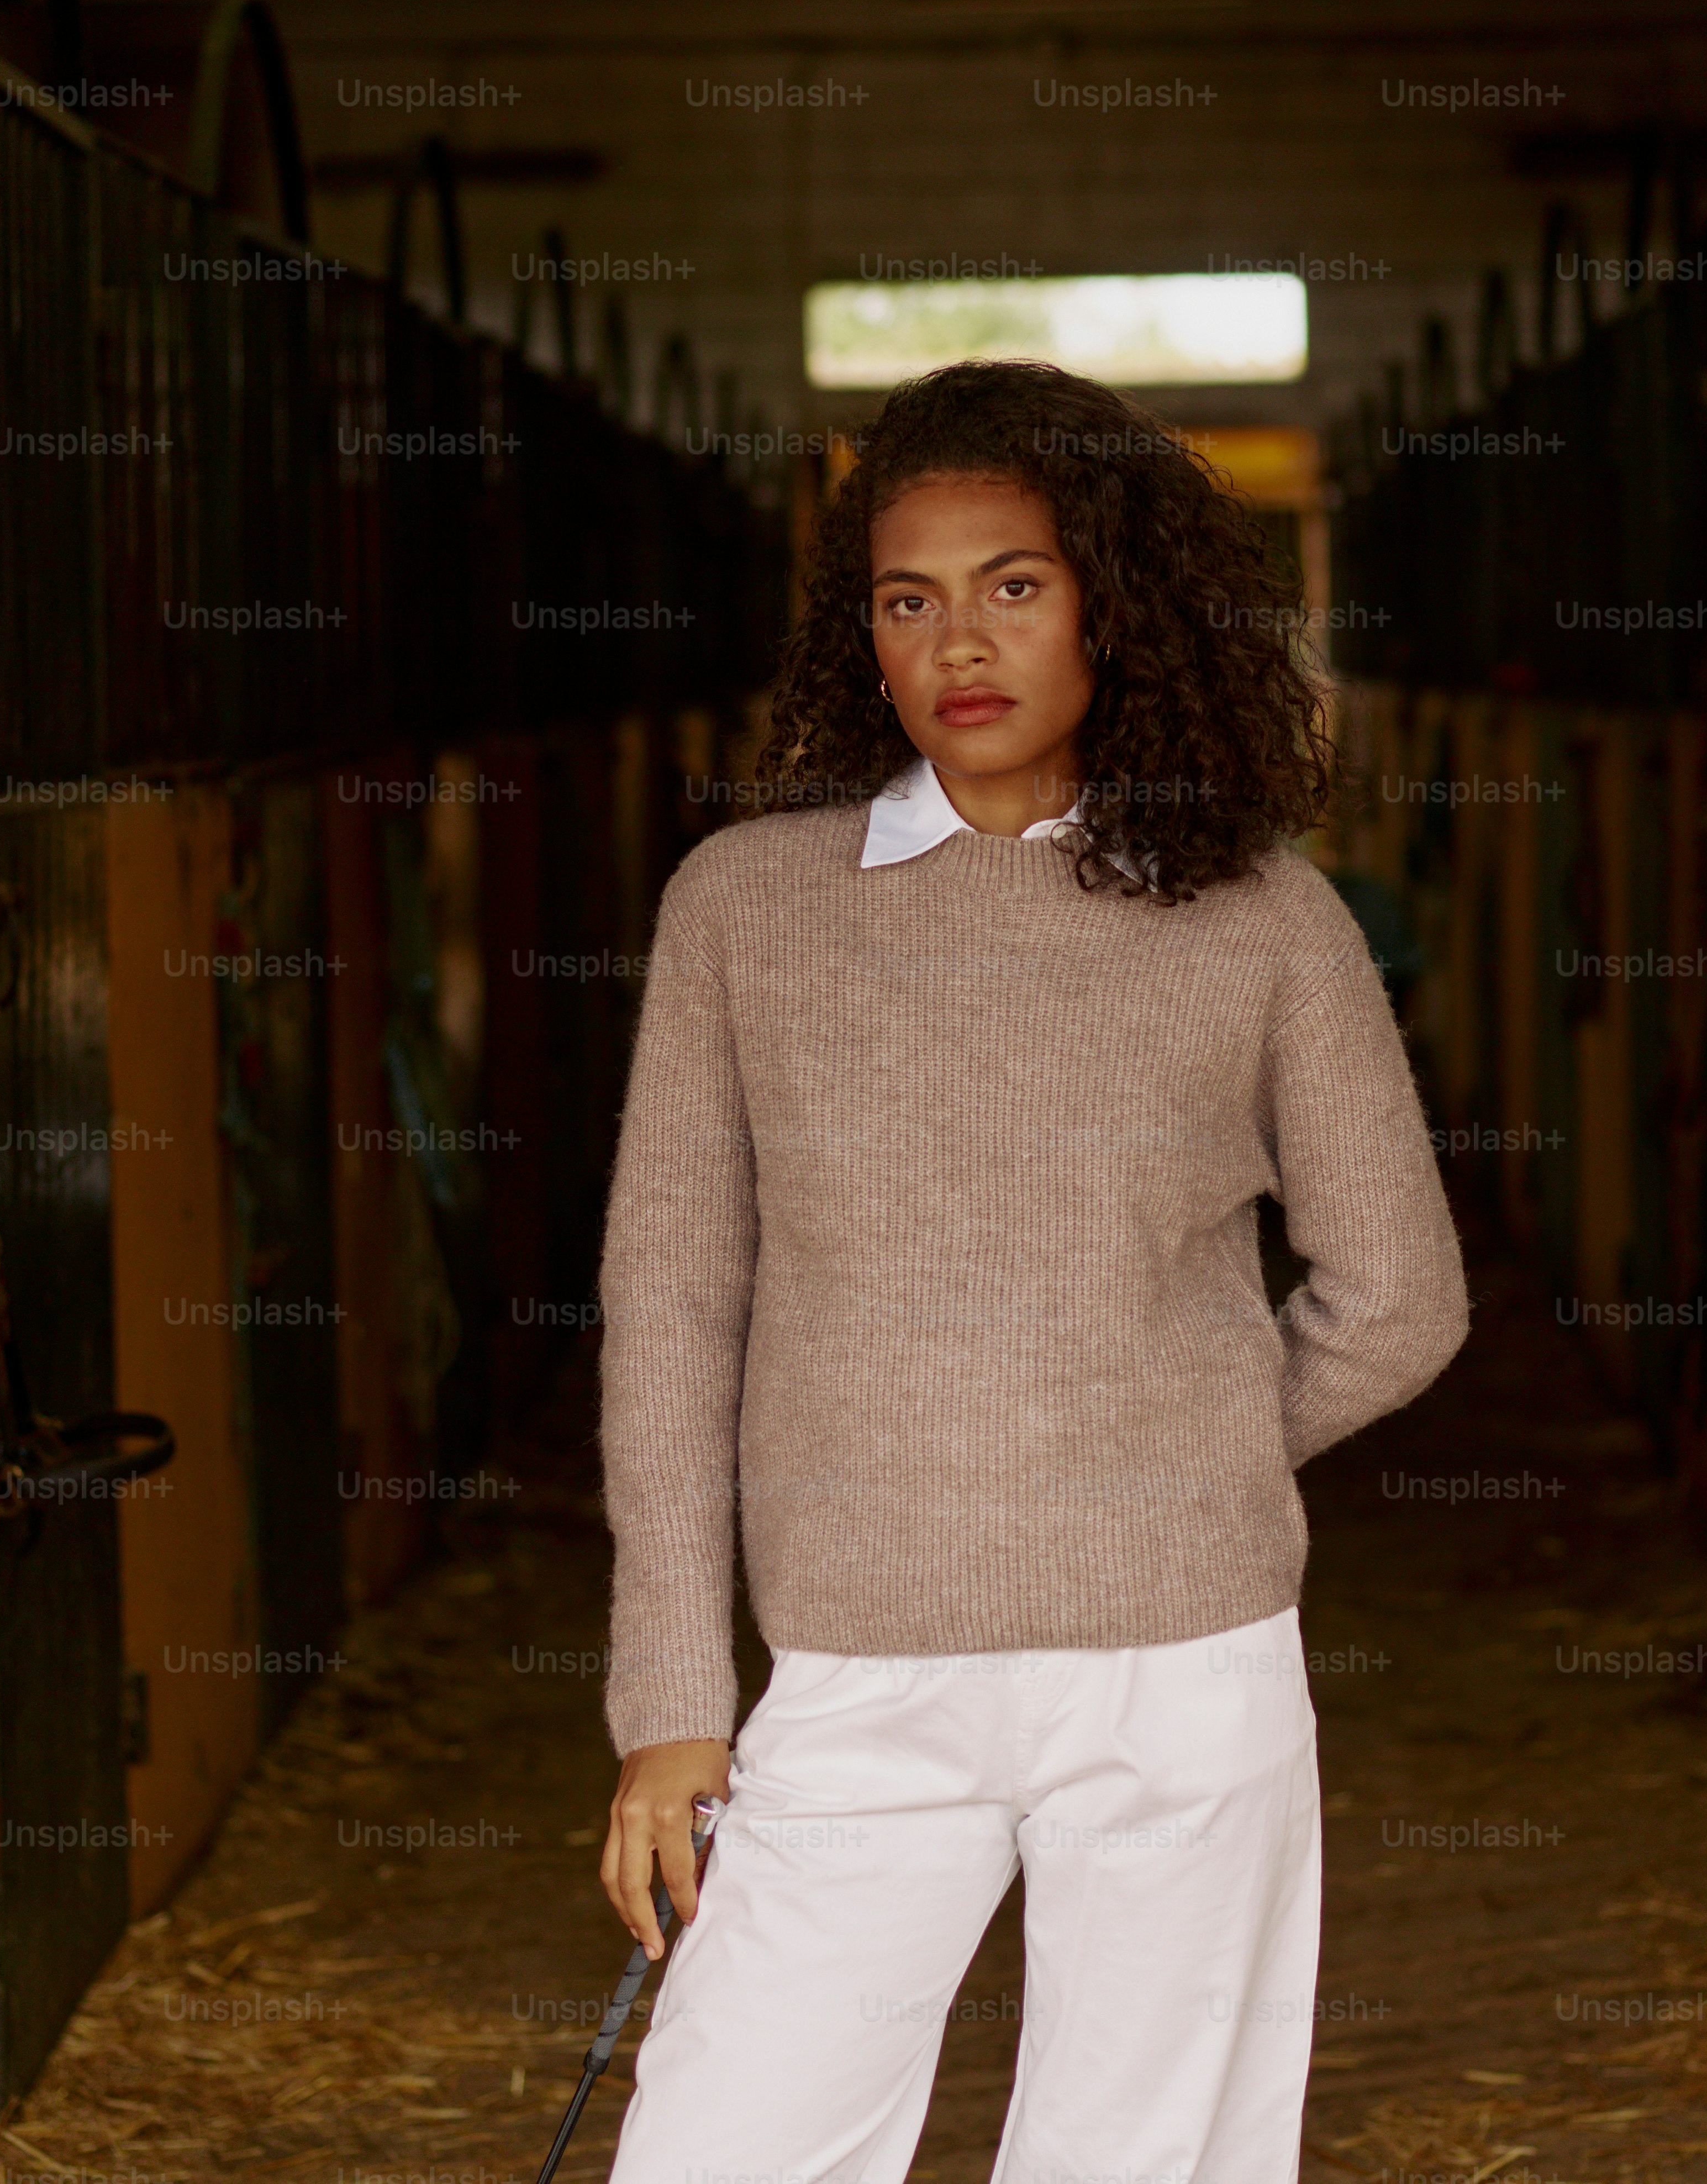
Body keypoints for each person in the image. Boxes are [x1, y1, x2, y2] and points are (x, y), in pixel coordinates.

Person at [593, 359, 1468, 2177]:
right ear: (862, 636)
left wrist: (1162, 1457)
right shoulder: (743, 908)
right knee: (724, 2147)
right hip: (855, 1667)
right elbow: (671, 1310)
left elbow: (1401, 1296)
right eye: (907, 601)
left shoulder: (1262, 917)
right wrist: (671, 1705)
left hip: (1183, 1668)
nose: (960, 644)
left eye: (1014, 585)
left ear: (1112, 607)